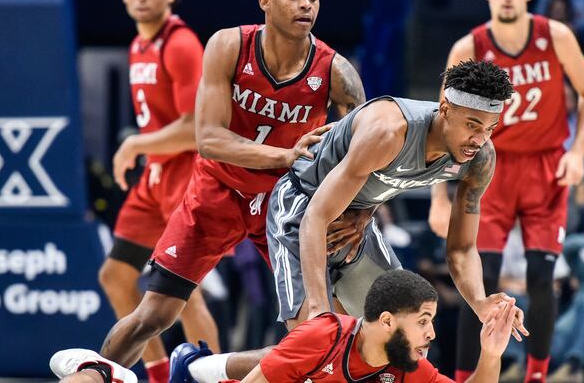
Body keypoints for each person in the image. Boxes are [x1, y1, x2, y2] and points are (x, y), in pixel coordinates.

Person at [49, 0, 366, 382]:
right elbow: (209, 139)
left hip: (285, 201)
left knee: (318, 325)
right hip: (217, 188)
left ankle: (204, 368)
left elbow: (363, 155)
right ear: (265, 3)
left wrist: (363, 211)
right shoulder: (228, 45)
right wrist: (286, 155)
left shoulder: (337, 72)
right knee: (154, 313)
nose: (305, 4)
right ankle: (99, 374)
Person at [173, 60, 527, 383]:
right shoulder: (389, 131)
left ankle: (198, 367)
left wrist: (480, 302)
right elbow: (317, 214)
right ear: (445, 109)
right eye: (472, 125)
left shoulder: (479, 158)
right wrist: (319, 313)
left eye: (490, 128)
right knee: (318, 347)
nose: (479, 139)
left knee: (398, 343)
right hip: (303, 207)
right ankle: (198, 369)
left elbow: (462, 248)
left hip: (357, 220)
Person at [427, 0, 584, 382]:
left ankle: (536, 375)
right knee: (478, 279)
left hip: (546, 167)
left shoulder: (555, 35)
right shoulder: (469, 46)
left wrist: (578, 151)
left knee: (542, 276)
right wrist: (437, 196)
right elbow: (439, 123)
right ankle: (469, 375)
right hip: (490, 168)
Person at [97, 0, 218, 383]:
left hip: (186, 177)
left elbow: (197, 129)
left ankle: (213, 376)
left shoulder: (181, 43)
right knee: (115, 275)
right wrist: (144, 148)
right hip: (154, 179)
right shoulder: (138, 44)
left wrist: (136, 143)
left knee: (185, 295)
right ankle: (157, 371)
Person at [235, 270, 518, 383]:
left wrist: (491, 354)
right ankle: (195, 365)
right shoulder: (324, 336)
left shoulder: (407, 366)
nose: (431, 333)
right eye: (422, 321)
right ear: (386, 321)